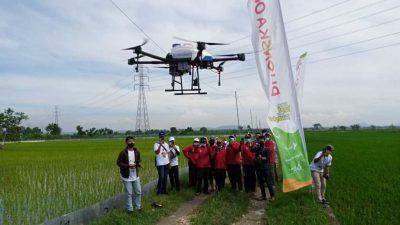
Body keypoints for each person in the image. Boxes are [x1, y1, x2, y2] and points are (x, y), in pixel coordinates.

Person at [116, 136, 142, 214]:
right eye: (130, 141)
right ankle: (130, 209)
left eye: (133, 141)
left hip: (135, 176)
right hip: (126, 176)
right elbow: (118, 163)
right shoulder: (123, 152)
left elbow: (137, 161)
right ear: (126, 142)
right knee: (129, 194)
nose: (131, 143)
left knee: (138, 192)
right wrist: (128, 166)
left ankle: (138, 207)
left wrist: (139, 164)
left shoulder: (137, 151)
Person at [252, 135, 275, 201]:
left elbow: (268, 158)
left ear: (264, 140)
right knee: (261, 182)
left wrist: (261, 158)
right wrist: (254, 143)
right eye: (260, 139)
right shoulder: (257, 148)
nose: (261, 140)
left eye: (262, 139)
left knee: (268, 182)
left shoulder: (267, 149)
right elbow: (252, 150)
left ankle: (272, 196)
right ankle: (263, 195)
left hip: (265, 167)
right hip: (258, 167)